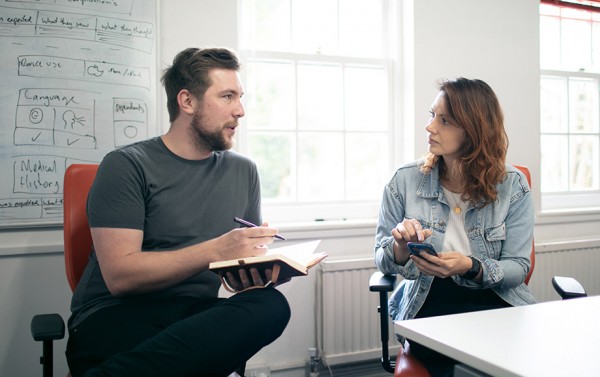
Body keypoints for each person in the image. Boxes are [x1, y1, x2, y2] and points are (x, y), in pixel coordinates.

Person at [65, 47, 291, 377]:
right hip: (115, 315)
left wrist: (258, 271)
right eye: (227, 96)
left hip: (195, 316)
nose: (240, 110)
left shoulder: (244, 172)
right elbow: (121, 278)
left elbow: (238, 278)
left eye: (240, 97)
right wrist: (216, 249)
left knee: (272, 306)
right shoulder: (126, 165)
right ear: (187, 102)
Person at [374, 78, 536, 377]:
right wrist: (398, 247)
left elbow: (517, 267)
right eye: (431, 114)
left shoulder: (513, 185)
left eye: (444, 120)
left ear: (474, 129)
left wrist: (470, 266)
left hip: (493, 299)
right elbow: (380, 259)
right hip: (429, 300)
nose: (430, 126)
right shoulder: (404, 181)